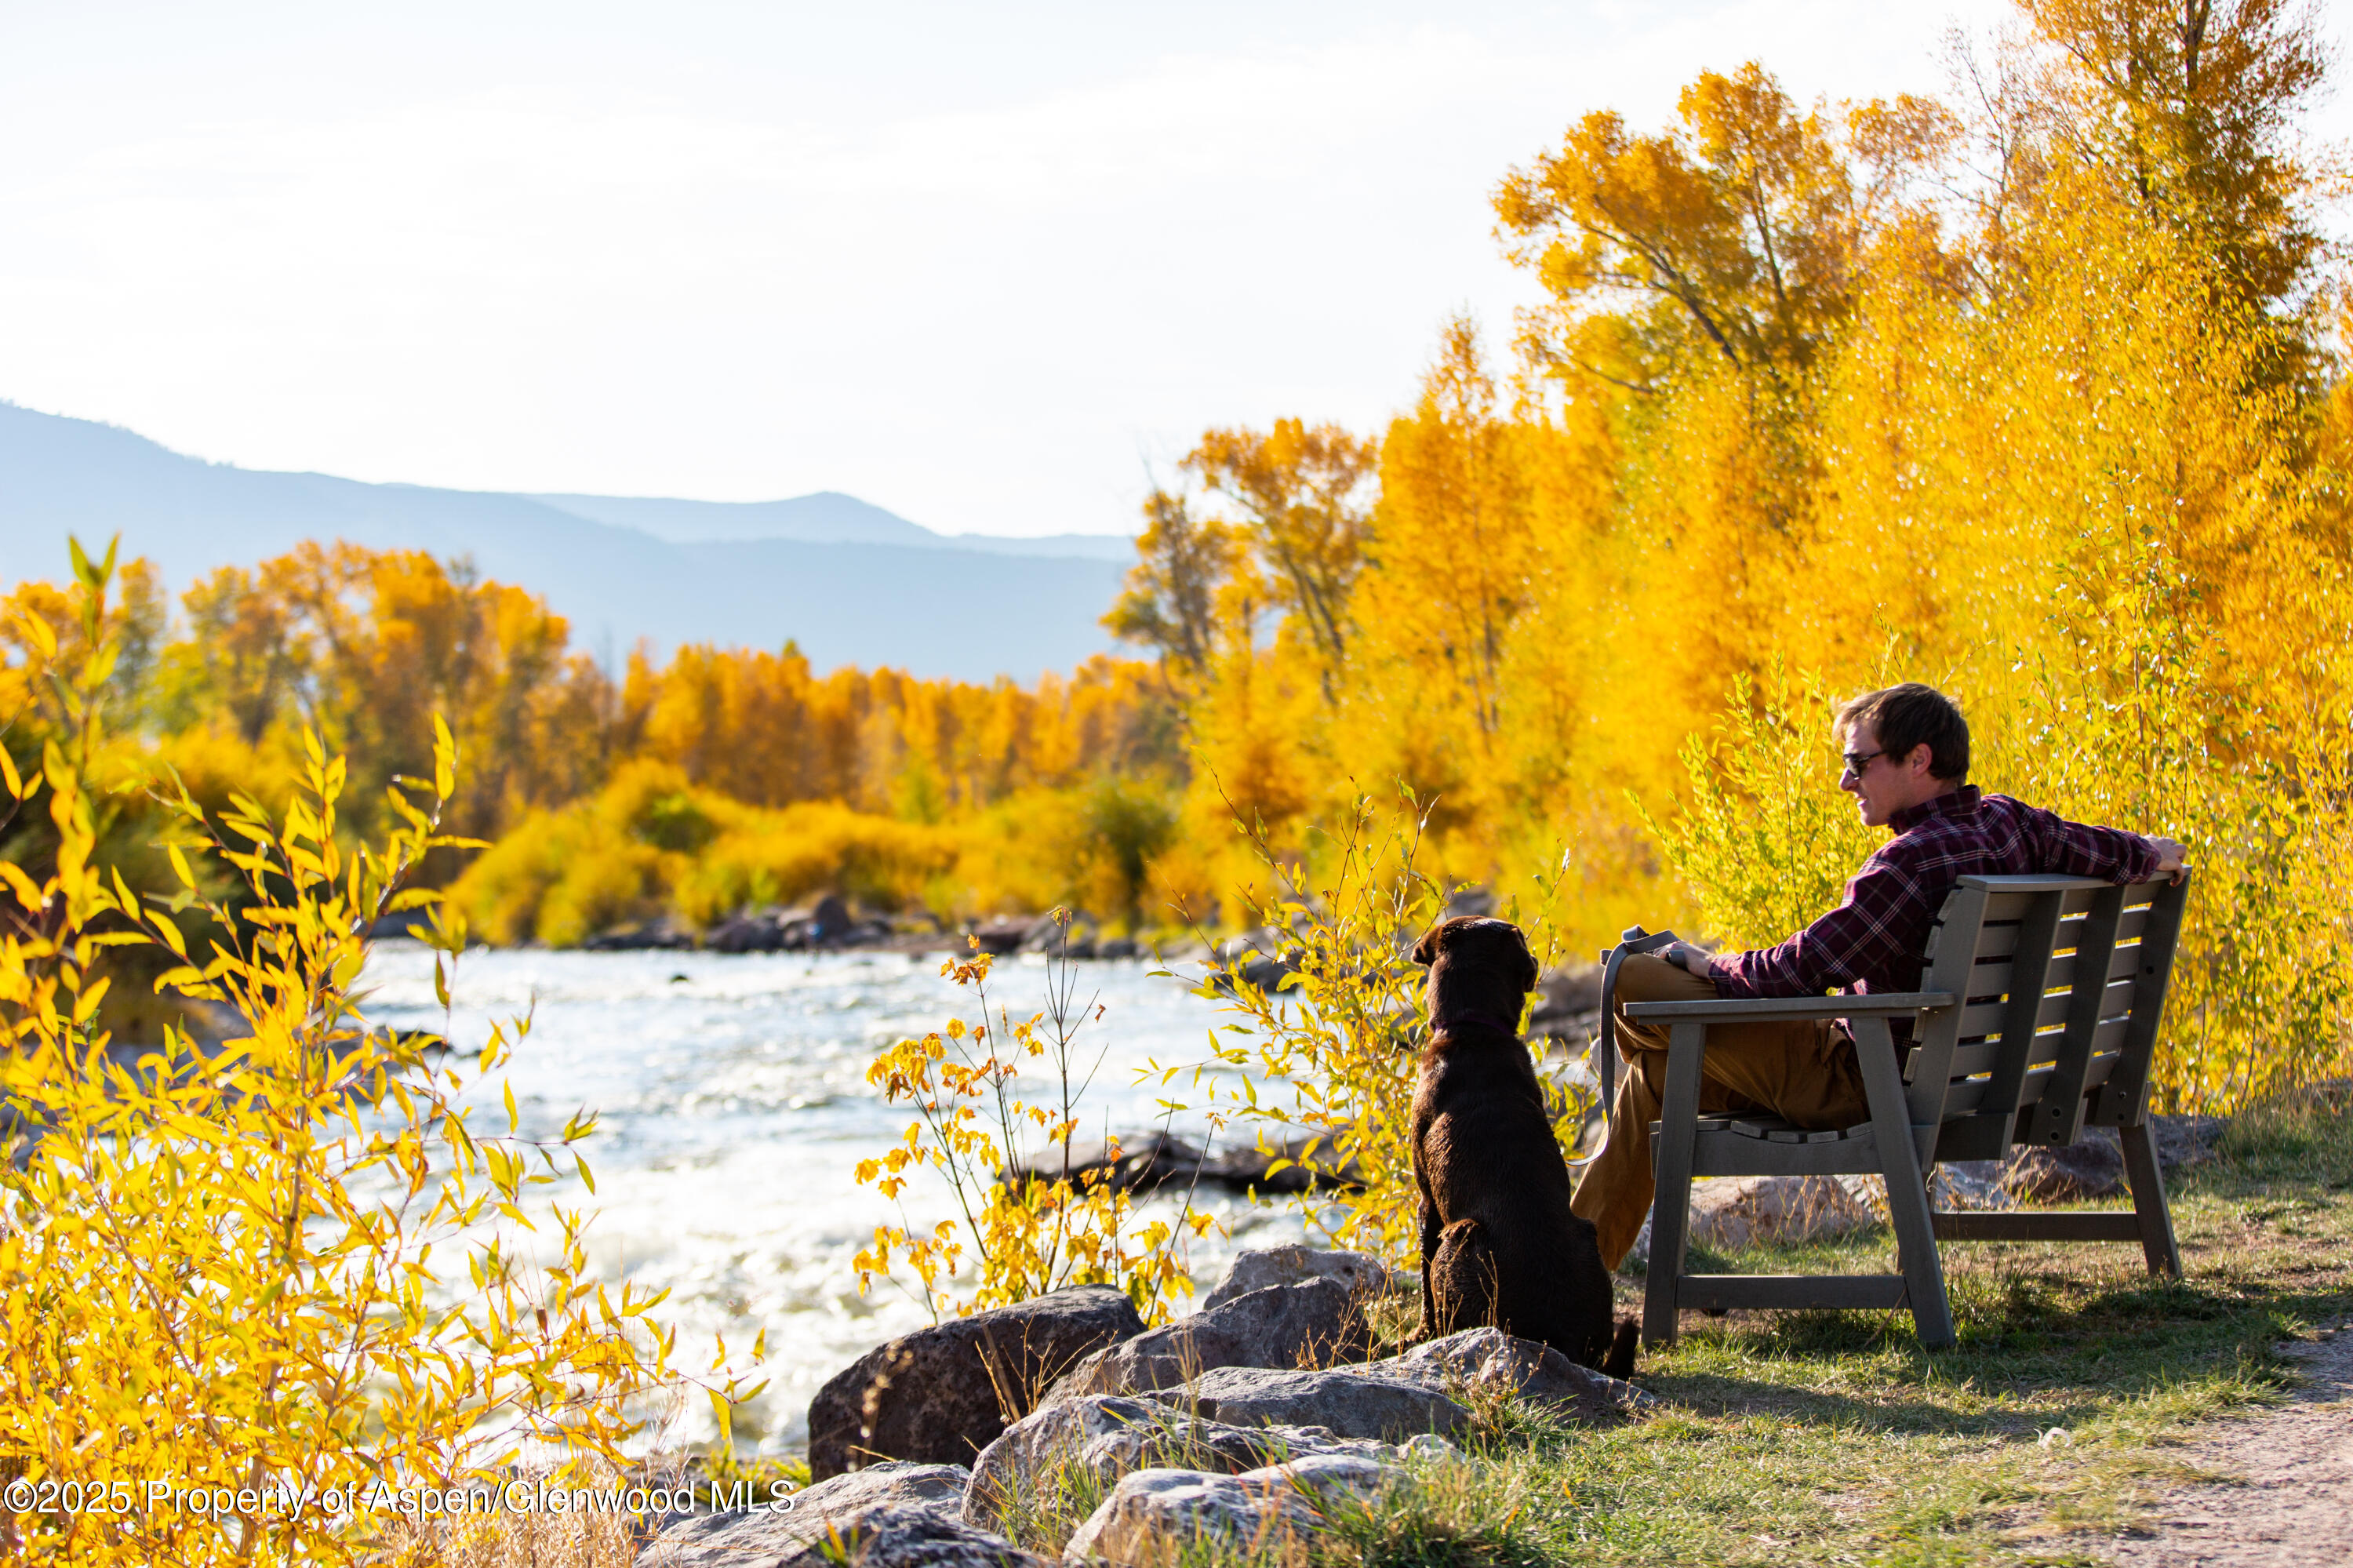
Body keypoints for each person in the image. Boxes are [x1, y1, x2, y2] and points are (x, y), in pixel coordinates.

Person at [1568, 682, 2188, 1268]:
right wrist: (2151, 853)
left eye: (1858, 763)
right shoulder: (2011, 824)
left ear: (1919, 759)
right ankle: (1569, 1271)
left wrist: (1706, 962)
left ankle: (1564, 1278)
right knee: (1656, 1076)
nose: (1846, 780)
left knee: (1634, 982)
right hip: (1968, 1078)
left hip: (1866, 1086)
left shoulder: (1907, 863)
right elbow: (2091, 845)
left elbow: (1802, 969)